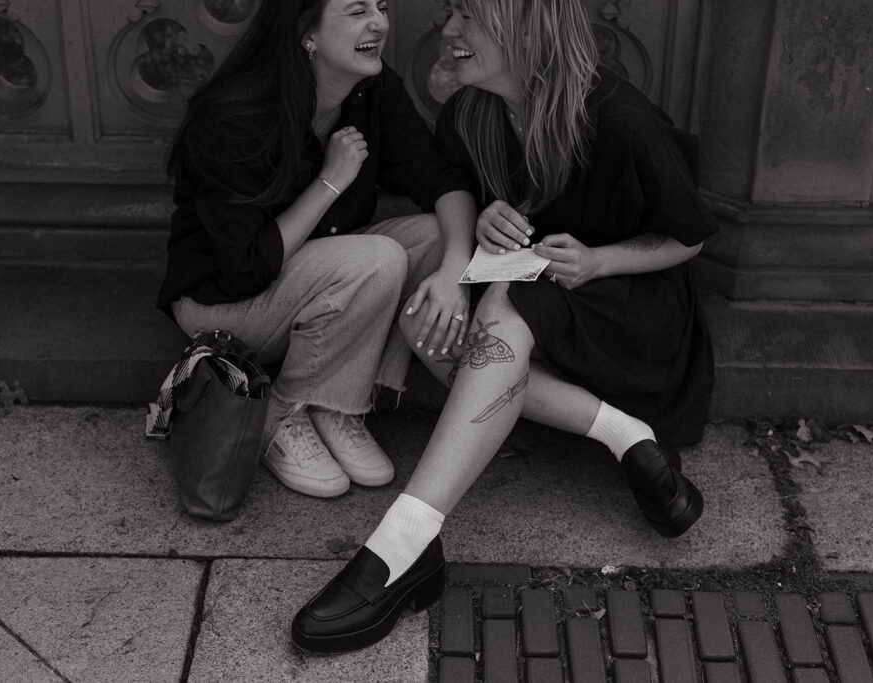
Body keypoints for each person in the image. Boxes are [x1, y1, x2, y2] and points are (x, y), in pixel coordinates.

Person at [291, 0, 720, 653]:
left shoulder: (619, 118)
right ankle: (623, 432)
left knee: (500, 309)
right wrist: (484, 224)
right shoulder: (474, 110)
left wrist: (601, 260)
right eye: (452, 13)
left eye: (469, 17)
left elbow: (689, 239)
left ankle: (403, 542)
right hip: (545, 297)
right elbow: (463, 185)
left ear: (526, 29)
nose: (450, 32)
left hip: (635, 311)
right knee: (425, 322)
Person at [155, 0, 477, 499]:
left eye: (382, 6)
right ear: (306, 32)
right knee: (379, 259)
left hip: (310, 280)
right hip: (224, 305)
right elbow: (243, 268)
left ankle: (338, 404)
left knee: (438, 236)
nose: (380, 22)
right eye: (356, 11)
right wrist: (330, 181)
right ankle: (283, 413)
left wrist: (456, 269)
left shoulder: (371, 87)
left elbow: (438, 176)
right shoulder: (235, 116)